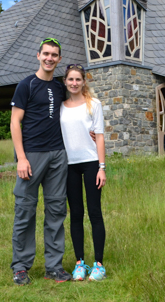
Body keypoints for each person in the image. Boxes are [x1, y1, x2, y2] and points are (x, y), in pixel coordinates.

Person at [10, 38, 72, 285]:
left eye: (54, 55)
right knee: (25, 210)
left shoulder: (60, 87)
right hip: (32, 155)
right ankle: (21, 266)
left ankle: (54, 267)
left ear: (58, 59)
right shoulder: (26, 85)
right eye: (46, 53)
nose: (50, 58)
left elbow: (73, 113)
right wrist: (21, 158)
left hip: (58, 155)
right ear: (38, 55)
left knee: (56, 210)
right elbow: (15, 122)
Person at [60, 64, 107, 281]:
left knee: (94, 212)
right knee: (76, 214)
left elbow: (99, 136)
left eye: (78, 79)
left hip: (90, 164)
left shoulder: (93, 105)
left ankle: (98, 264)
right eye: (71, 79)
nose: (74, 83)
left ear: (84, 81)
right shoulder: (61, 106)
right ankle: (80, 263)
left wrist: (101, 167)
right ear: (65, 81)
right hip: (69, 166)